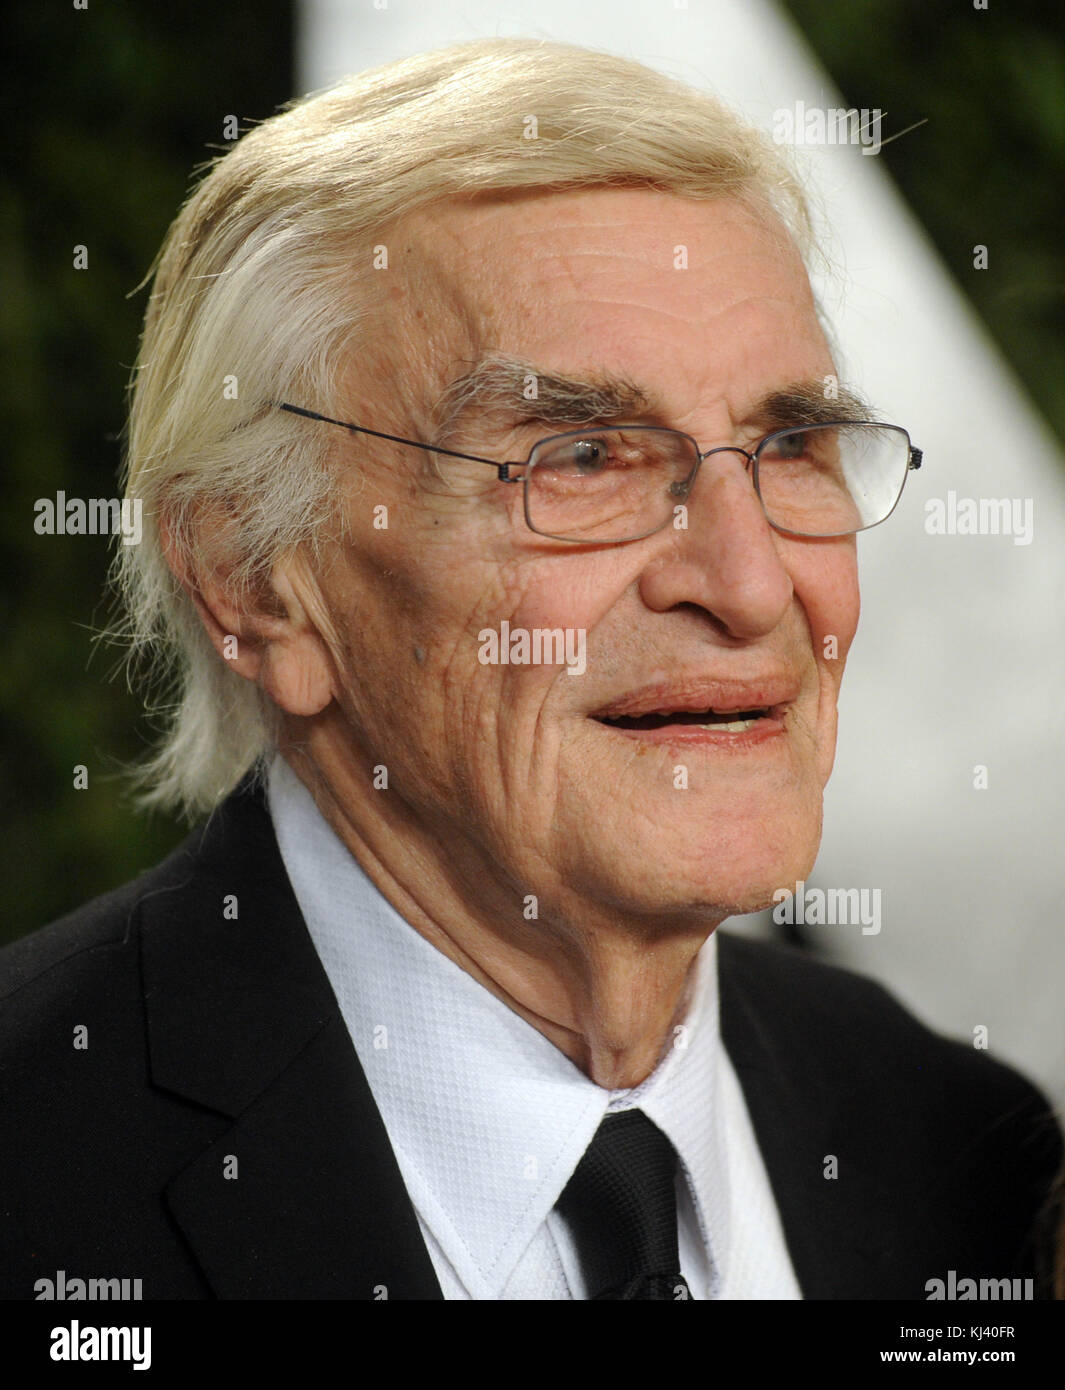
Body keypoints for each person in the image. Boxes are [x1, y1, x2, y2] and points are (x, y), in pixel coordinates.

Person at [1, 36, 1059, 1301]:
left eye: (791, 445)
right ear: (256, 581)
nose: (751, 582)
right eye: (582, 459)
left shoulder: (963, 1154)